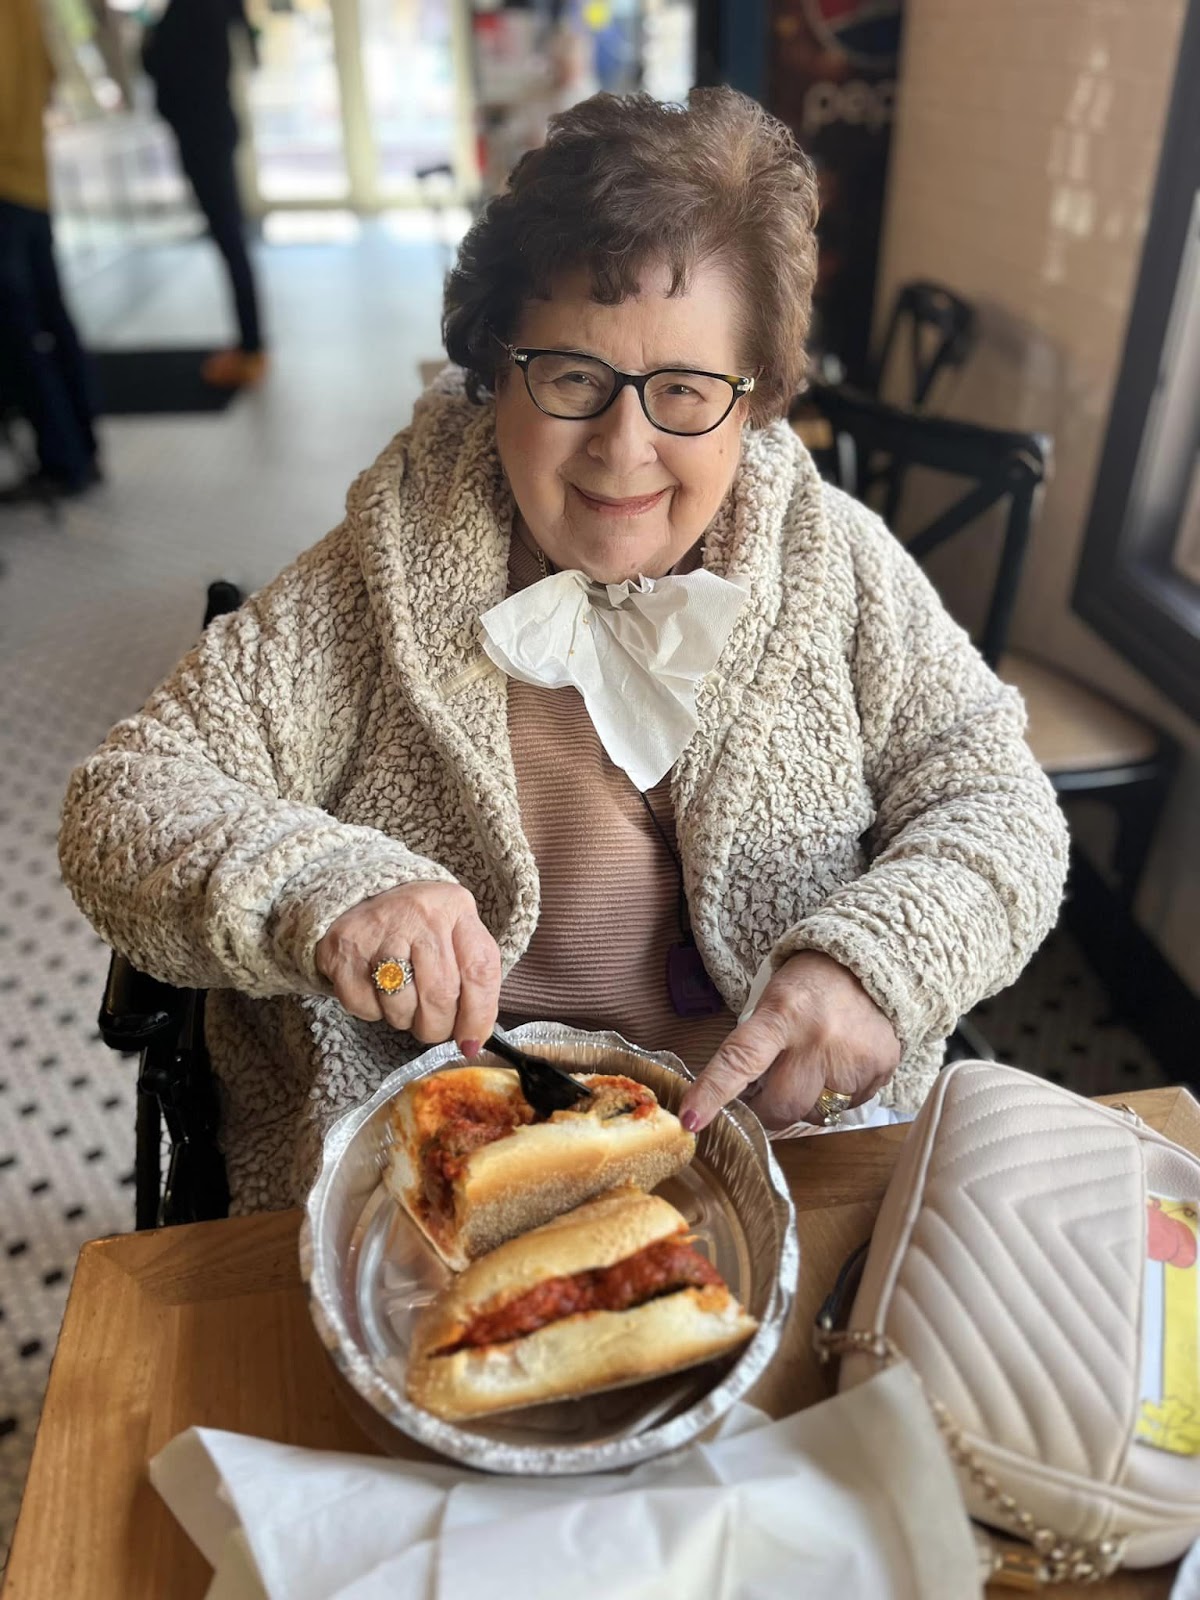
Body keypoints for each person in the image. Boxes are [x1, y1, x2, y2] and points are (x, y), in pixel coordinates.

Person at [59, 90, 1067, 1214]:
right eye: (574, 377)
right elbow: (122, 803)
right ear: (499, 365)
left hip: (780, 1158)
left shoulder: (834, 561)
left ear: (755, 404)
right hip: (450, 1160)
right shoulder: (378, 569)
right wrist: (330, 886)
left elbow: (1001, 802)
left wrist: (879, 962)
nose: (623, 451)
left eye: (684, 390)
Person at [0, 0, 101, 502]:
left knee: (20, 334)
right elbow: (48, 72)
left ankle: (63, 460)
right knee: (53, 323)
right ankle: (84, 448)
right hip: (32, 180)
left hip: (4, 190)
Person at [143, 0, 266, 388]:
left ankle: (251, 347)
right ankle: (250, 343)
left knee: (230, 240)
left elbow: (164, 66)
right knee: (231, 241)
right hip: (209, 131)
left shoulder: (195, 10)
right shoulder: (208, 8)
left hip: (204, 135)